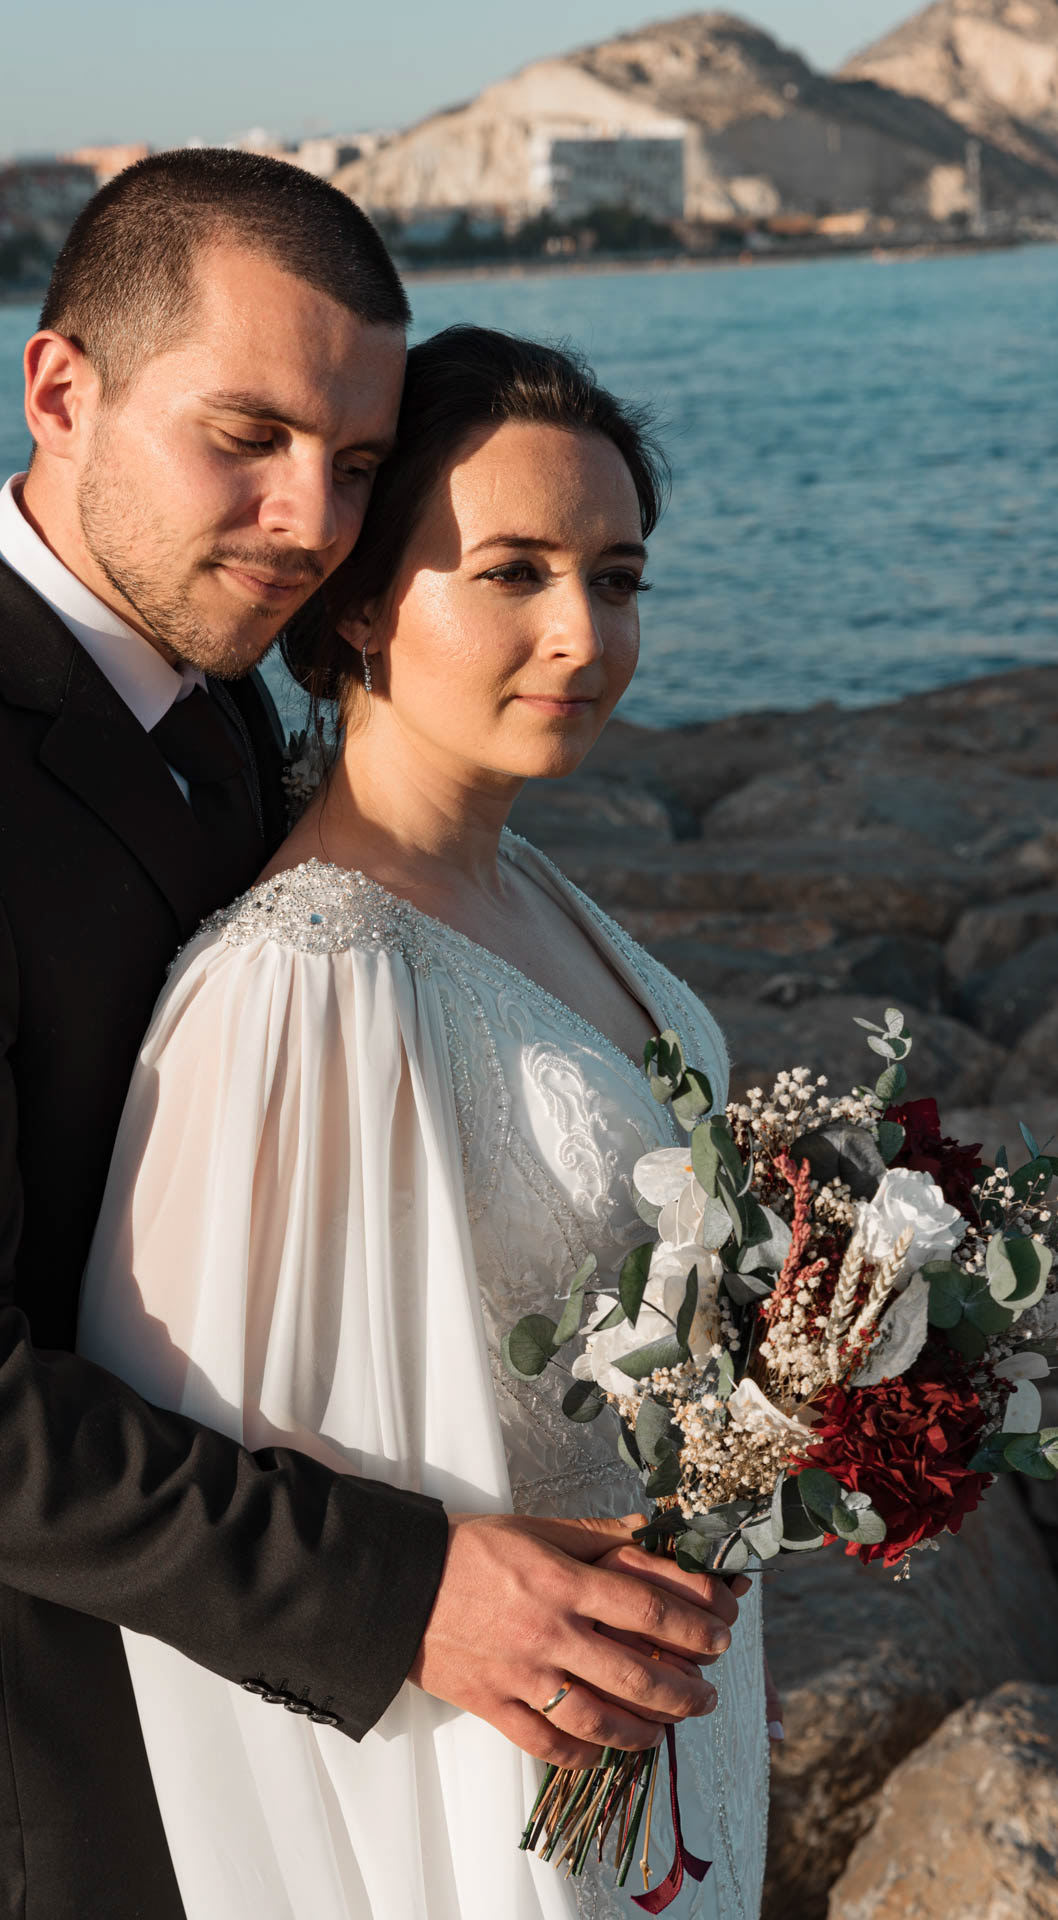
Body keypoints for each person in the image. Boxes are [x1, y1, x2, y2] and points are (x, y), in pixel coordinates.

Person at [0, 153, 739, 1919]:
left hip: (311, 1720)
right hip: (17, 1777)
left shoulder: (211, 693)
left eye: (360, 465)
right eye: (250, 436)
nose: (312, 521)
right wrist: (409, 1592)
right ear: (60, 389)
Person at [78, 324, 768, 1918]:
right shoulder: (301, 980)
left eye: (617, 575)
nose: (581, 632)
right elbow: (231, 1469)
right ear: (365, 603)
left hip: (663, 1716)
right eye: (512, 570)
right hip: (481, 1781)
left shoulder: (538, 892)